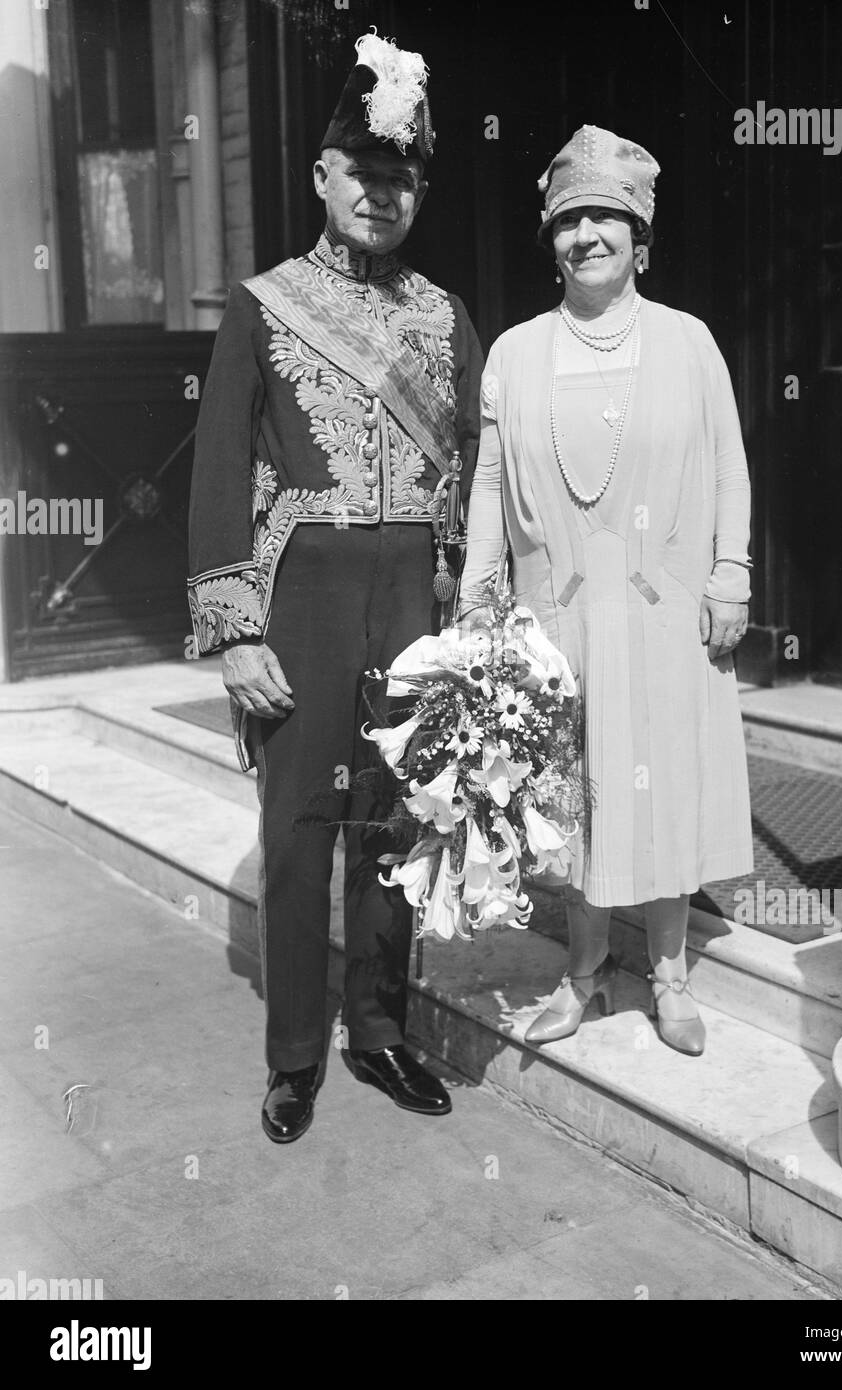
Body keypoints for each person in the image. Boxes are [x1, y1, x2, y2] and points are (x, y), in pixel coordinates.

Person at [187, 32, 483, 1141]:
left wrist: (478, 614)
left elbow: (476, 468)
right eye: (362, 169)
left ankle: (380, 1031)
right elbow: (221, 466)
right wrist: (232, 632)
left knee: (396, 819)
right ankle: (295, 1053)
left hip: (413, 585)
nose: (381, 191)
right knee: (305, 820)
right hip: (302, 589)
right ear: (322, 175)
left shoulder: (446, 317)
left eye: (400, 173)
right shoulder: (263, 306)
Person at [457, 125, 753, 1057]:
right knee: (570, 798)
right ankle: (581, 974)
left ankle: (666, 973)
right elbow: (492, 482)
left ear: (640, 241)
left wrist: (731, 571)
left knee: (658, 782)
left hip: (664, 609)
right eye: (569, 219)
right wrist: (476, 594)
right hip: (558, 609)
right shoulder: (514, 351)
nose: (587, 234)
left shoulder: (689, 342)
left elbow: (729, 465)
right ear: (549, 239)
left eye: (606, 219)